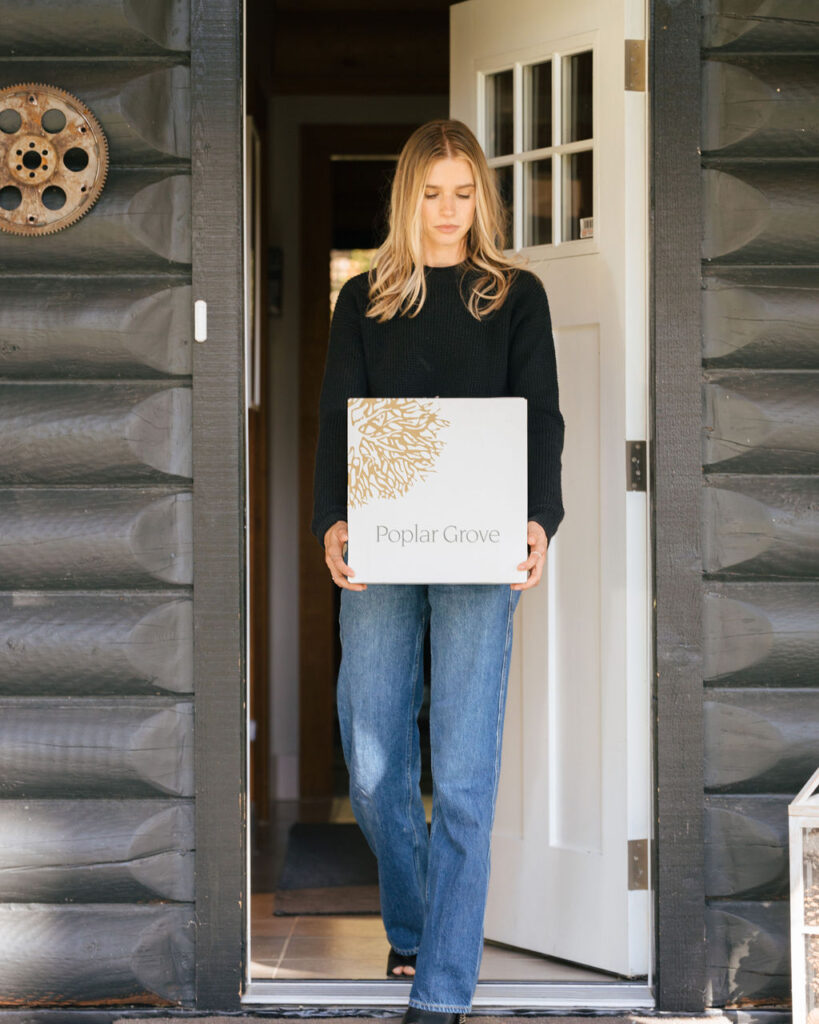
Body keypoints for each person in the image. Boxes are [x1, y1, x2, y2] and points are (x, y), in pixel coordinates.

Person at [311, 119, 564, 1024]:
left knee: (461, 778)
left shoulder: (514, 296)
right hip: (380, 542)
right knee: (375, 768)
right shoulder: (365, 299)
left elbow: (540, 419)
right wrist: (330, 523)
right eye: (432, 193)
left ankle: (441, 989)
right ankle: (413, 923)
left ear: (481, 202)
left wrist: (541, 521)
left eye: (464, 194)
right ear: (406, 197)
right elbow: (340, 418)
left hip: (481, 546)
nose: (448, 212)